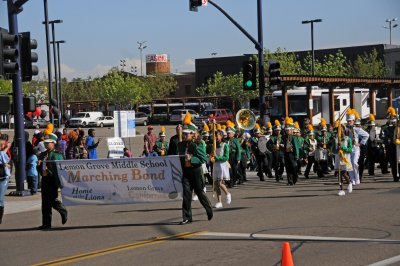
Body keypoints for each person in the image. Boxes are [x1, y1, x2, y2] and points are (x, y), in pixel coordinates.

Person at [177, 113, 212, 224]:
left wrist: (191, 159)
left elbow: (202, 158)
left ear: (193, 134)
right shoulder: (182, 144)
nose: (185, 135)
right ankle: (187, 217)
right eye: (185, 133)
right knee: (186, 195)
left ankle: (209, 209)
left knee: (200, 192)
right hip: (186, 172)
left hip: (196, 171)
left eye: (188, 134)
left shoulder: (198, 144)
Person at [37, 133, 68, 229]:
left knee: (51, 199)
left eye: (48, 143)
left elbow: (59, 170)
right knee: (45, 202)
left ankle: (62, 210)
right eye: (45, 143)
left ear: (53, 143)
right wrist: (38, 166)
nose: (46, 145)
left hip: (52, 180)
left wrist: (60, 182)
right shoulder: (42, 154)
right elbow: (39, 169)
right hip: (45, 179)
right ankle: (46, 223)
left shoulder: (57, 155)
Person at [210, 128, 231, 208]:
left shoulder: (225, 145)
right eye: (214, 136)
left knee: (220, 183)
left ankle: (228, 193)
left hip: (222, 165)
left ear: (221, 136)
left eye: (217, 136)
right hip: (216, 165)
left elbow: (226, 157)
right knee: (216, 184)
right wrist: (211, 158)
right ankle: (219, 202)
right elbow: (212, 155)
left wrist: (217, 158)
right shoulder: (214, 146)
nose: (215, 137)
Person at [0, 138, 11, 224]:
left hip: (3, 178)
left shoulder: (2, 153)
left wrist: (5, 164)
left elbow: (7, 161)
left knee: (0, 198)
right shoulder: (2, 153)